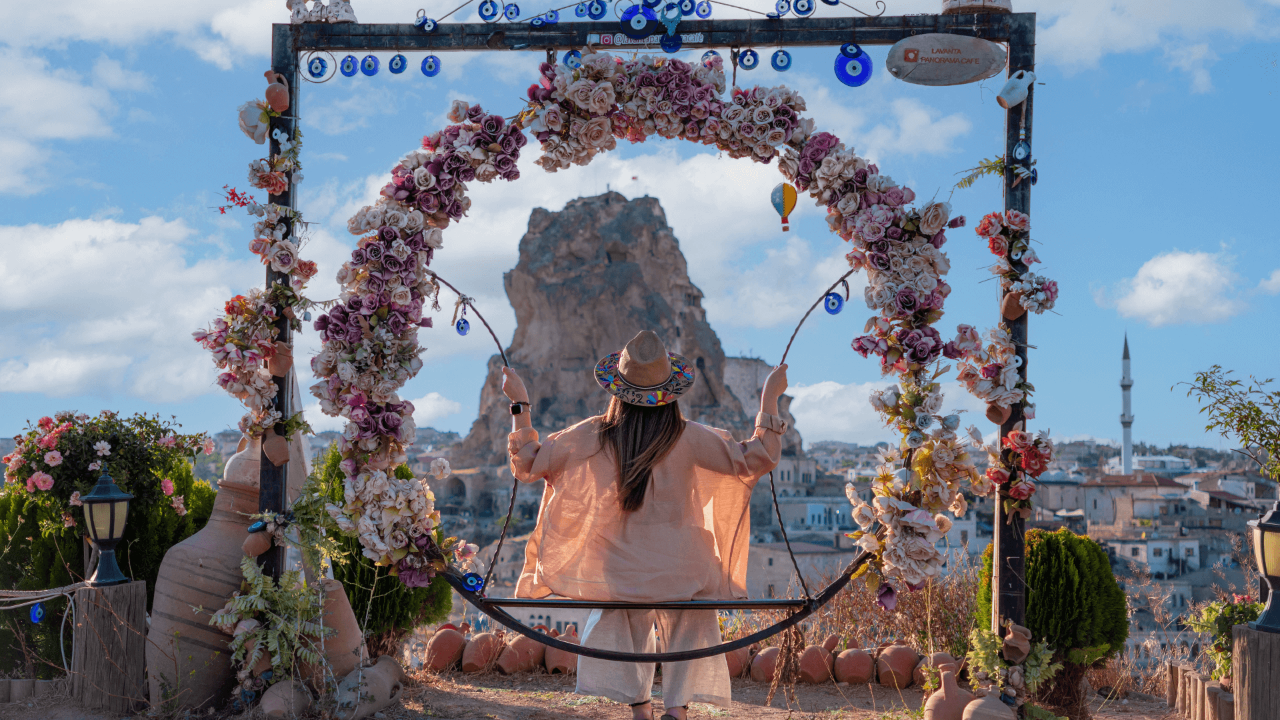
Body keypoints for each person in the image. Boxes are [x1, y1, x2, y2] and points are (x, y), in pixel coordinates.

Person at [503, 330, 789, 720]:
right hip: (684, 573)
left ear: (617, 390)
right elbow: (760, 456)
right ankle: (677, 709)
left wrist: (519, 402)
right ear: (671, 393)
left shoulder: (590, 435)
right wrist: (770, 396)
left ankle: (640, 708)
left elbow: (527, 462)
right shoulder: (691, 438)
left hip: (618, 573)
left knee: (623, 609)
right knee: (691, 613)